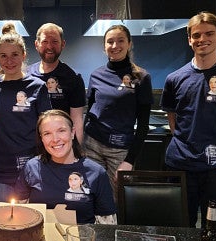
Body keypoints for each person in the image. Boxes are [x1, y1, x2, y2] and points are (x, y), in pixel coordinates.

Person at [160, 12, 216, 228]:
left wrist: (214, 138)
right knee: (180, 226)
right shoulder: (175, 79)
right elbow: (173, 119)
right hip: (181, 163)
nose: (202, 39)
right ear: (189, 40)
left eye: (209, 33)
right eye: (196, 35)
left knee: (213, 227)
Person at [0, 27, 52, 202]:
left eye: (15, 54)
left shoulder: (38, 86)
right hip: (0, 168)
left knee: (32, 217)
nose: (9, 60)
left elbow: (47, 127)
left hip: (33, 165)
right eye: (3, 55)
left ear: (24, 55)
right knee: (6, 218)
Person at [84, 24, 153, 198]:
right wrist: (80, 146)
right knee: (90, 195)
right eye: (110, 42)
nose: (115, 46)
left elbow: (143, 125)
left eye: (120, 41)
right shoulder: (96, 75)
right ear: (104, 46)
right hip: (92, 145)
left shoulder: (141, 77)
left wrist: (130, 160)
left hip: (121, 150)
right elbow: (88, 113)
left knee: (117, 200)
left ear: (129, 43)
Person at [14, 109, 116, 224]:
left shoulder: (97, 172)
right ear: (41, 138)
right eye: (47, 133)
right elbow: (19, 211)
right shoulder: (31, 167)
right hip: (40, 237)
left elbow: (107, 223)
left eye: (61, 131)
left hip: (80, 239)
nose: (55, 139)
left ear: (72, 133)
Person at [27, 23, 86, 143]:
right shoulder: (26, 74)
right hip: (29, 144)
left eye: (54, 41)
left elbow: (77, 120)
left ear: (62, 44)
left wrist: (77, 152)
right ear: (36, 44)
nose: (49, 46)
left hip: (59, 143)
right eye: (44, 41)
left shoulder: (73, 78)